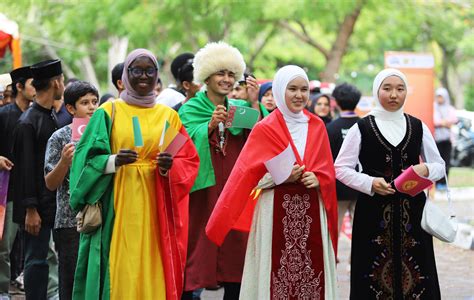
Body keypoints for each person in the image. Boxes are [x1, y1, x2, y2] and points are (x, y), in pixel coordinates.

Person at [70, 49, 199, 300]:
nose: (143, 76)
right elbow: (84, 160)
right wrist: (113, 160)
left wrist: (166, 166)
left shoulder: (168, 116)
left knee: (153, 263)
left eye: (149, 71)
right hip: (118, 204)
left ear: (157, 75)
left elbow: (189, 161)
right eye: (136, 70)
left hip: (156, 205)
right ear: (125, 76)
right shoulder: (108, 112)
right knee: (121, 267)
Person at [206, 65, 338, 299]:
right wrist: (281, 177)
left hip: (312, 212)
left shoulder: (318, 126)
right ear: (279, 90)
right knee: (273, 273)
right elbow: (248, 177)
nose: (299, 95)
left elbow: (327, 170)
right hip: (273, 210)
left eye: (304, 89)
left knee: (312, 273)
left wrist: (318, 178)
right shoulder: (265, 128)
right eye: (292, 89)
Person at [334, 69, 445, 299]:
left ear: (406, 92)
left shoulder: (418, 127)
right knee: (371, 274)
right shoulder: (361, 128)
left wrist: (425, 169)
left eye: (400, 89)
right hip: (372, 214)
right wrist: (370, 183)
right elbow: (341, 168)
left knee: (419, 274)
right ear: (377, 91)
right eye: (387, 88)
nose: (394, 94)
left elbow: (439, 166)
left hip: (413, 214)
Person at [178, 41, 267, 300]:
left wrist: (253, 102)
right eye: (221, 73)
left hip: (232, 193)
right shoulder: (190, 109)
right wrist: (206, 128)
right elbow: (180, 145)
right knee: (197, 252)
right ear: (206, 76)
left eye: (231, 75)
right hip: (203, 193)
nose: (227, 80)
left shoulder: (238, 110)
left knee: (235, 256)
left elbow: (259, 137)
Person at [11, 59, 64, 300]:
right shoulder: (28, 122)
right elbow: (24, 171)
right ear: (55, 82)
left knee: (47, 259)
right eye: (61, 80)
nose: (62, 84)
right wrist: (30, 209)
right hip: (36, 208)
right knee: (35, 261)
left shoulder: (51, 115)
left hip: (51, 203)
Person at [44, 81, 99, 300]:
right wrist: (65, 162)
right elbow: (50, 182)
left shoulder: (104, 133)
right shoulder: (60, 138)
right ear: (71, 109)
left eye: (95, 102)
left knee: (96, 278)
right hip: (70, 222)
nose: (92, 107)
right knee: (71, 280)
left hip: (101, 217)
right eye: (85, 103)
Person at [0, 66, 35, 299]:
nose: (36, 88)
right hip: (8, 190)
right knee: (4, 245)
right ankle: (3, 289)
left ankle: (36, 288)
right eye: (33, 84)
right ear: (19, 87)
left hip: (32, 189)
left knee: (36, 246)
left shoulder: (38, 115)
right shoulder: (3, 115)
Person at [326, 82, 361, 237]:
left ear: (336, 102)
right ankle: (357, 261)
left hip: (337, 187)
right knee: (361, 231)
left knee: (333, 229)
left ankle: (332, 259)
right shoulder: (365, 126)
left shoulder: (331, 128)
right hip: (361, 186)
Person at [433, 87, 457, 190]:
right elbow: (435, 121)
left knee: (446, 162)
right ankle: (437, 184)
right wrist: (446, 123)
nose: (439, 99)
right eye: (438, 96)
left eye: (441, 96)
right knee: (437, 162)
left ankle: (444, 184)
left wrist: (442, 122)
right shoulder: (433, 107)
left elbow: (454, 120)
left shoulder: (450, 108)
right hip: (436, 140)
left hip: (447, 140)